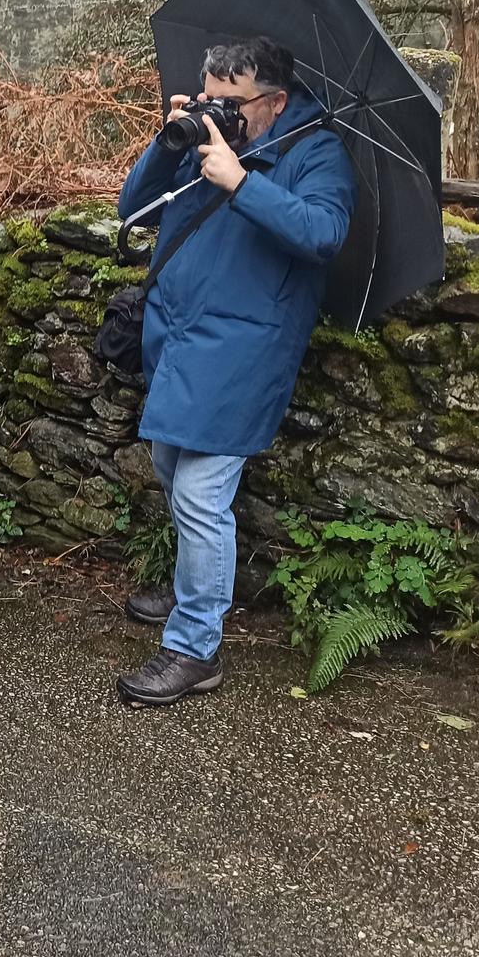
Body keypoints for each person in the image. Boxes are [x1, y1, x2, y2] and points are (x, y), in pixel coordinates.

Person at [114, 35, 354, 706]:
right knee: (168, 469)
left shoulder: (316, 152)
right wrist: (168, 143)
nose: (218, 111)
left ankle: (195, 648)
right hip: (179, 337)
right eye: (209, 97)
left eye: (232, 102)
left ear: (274, 101)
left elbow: (322, 233)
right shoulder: (203, 142)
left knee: (200, 495)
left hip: (246, 349)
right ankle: (197, 589)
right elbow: (130, 209)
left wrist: (242, 183)